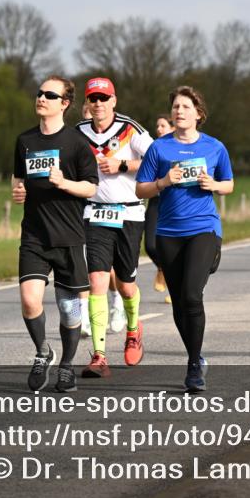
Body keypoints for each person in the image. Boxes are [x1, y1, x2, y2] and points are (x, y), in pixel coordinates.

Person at [136, 86, 234, 392]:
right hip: (168, 232)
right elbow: (141, 190)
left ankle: (193, 365)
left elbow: (229, 184)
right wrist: (163, 182)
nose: (179, 111)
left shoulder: (214, 147)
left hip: (204, 227)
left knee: (192, 295)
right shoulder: (159, 149)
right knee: (179, 302)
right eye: (175, 107)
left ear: (198, 114)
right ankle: (197, 357)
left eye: (186, 107)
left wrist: (214, 184)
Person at [12, 76, 99, 393]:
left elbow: (91, 186)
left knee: (69, 309)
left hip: (69, 236)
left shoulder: (76, 144)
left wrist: (64, 183)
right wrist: (18, 191)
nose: (41, 98)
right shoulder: (25, 141)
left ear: (64, 103)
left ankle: (66, 364)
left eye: (50, 94)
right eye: (39, 93)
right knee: (29, 300)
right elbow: (18, 178)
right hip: (34, 236)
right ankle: (42, 352)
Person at [75, 77, 154, 378]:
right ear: (88, 103)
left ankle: (134, 329)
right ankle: (99, 355)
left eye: (103, 98)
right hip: (94, 214)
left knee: (125, 284)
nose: (98, 104)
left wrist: (123, 165)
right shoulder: (79, 133)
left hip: (130, 213)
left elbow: (157, 159)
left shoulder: (129, 129)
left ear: (114, 101)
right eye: (93, 99)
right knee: (96, 280)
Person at [145, 115, 174, 304]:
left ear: (172, 127)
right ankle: (163, 268)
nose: (159, 129)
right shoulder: (152, 149)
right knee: (150, 245)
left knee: (172, 247)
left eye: (163, 125)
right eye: (157, 126)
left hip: (173, 203)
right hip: (155, 201)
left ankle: (174, 286)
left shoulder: (179, 148)